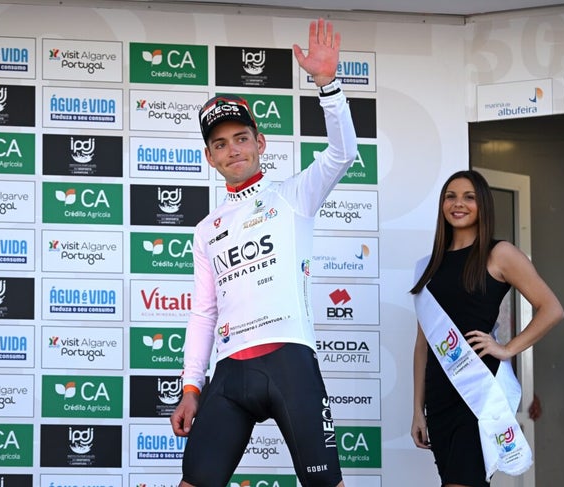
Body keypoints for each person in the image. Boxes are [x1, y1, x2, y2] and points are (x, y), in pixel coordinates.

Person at [169, 18, 357, 487]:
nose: (233, 150)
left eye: (240, 138)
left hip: (289, 365)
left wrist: (327, 85)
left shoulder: (294, 196)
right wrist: (192, 387)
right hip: (230, 374)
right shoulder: (206, 229)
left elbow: (342, 153)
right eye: (220, 144)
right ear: (210, 157)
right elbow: (204, 313)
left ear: (260, 143)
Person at [409, 170, 564, 487]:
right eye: (450, 196)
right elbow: (422, 346)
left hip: (478, 389)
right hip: (439, 395)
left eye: (469, 197)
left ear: (483, 205)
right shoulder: (429, 265)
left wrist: (507, 349)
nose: (458, 204)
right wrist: (417, 410)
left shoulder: (499, 253)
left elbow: (552, 309)